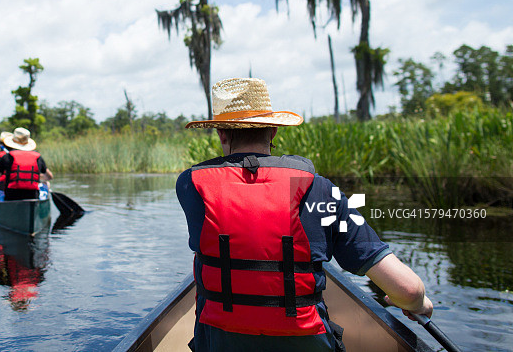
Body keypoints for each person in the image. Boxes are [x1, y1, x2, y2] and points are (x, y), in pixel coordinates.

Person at [177, 78, 433, 352]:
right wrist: (419, 303)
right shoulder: (319, 188)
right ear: (273, 131)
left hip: (220, 342)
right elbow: (407, 290)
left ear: (222, 135)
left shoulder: (190, 186)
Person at [0, 127, 53, 201]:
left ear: (12, 142)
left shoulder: (7, 157)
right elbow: (49, 177)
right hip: (33, 196)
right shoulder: (38, 157)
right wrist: (35, 176)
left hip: (10, 198)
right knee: (46, 183)